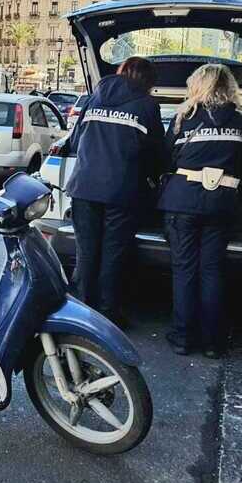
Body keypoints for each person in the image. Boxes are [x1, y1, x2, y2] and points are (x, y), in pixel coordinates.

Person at [158, 64, 242, 359]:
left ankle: (183, 338)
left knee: (184, 270)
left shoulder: (185, 117)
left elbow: (165, 158)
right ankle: (213, 342)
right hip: (221, 204)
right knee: (212, 270)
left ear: (197, 85)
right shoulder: (241, 119)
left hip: (182, 202)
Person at [65, 57, 165, 327]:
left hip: (84, 187)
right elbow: (157, 153)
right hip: (121, 191)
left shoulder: (92, 99)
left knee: (86, 252)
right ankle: (107, 314)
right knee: (113, 253)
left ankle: (82, 315)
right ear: (147, 81)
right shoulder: (147, 106)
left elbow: (75, 141)